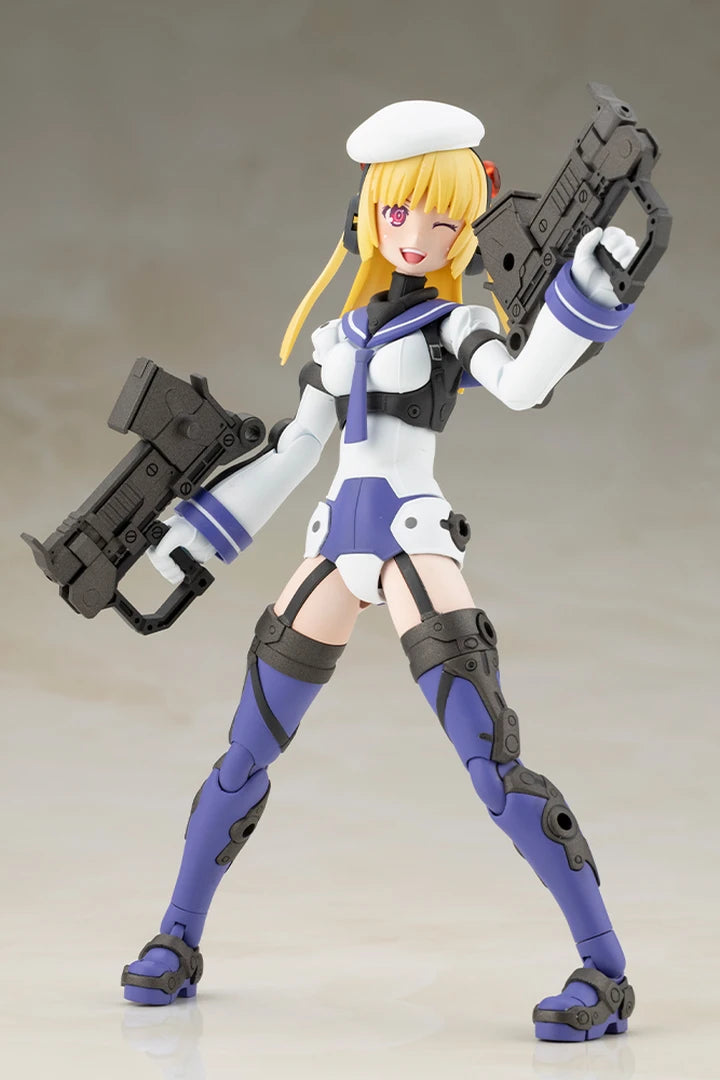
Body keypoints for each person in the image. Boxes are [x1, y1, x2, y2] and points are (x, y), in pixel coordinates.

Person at [122, 100, 637, 1042]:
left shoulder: (456, 325)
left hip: (410, 542)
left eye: (440, 216)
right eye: (398, 211)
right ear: (367, 215)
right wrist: (193, 536)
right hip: (332, 547)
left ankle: (604, 971)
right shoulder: (340, 336)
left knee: (493, 764)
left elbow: (525, 384)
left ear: (466, 222)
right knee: (242, 757)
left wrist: (584, 298)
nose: (416, 231)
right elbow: (292, 455)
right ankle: (177, 938)